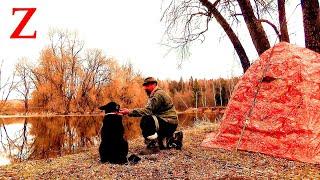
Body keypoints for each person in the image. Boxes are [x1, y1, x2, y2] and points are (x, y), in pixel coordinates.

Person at [120, 77, 183, 155]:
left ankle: (153, 147)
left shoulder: (157, 95)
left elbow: (147, 111)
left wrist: (129, 111)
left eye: (147, 85)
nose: (144, 88)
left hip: (169, 123)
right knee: (162, 145)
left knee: (146, 120)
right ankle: (173, 137)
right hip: (168, 123)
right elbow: (149, 110)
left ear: (154, 84)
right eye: (144, 85)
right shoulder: (155, 94)